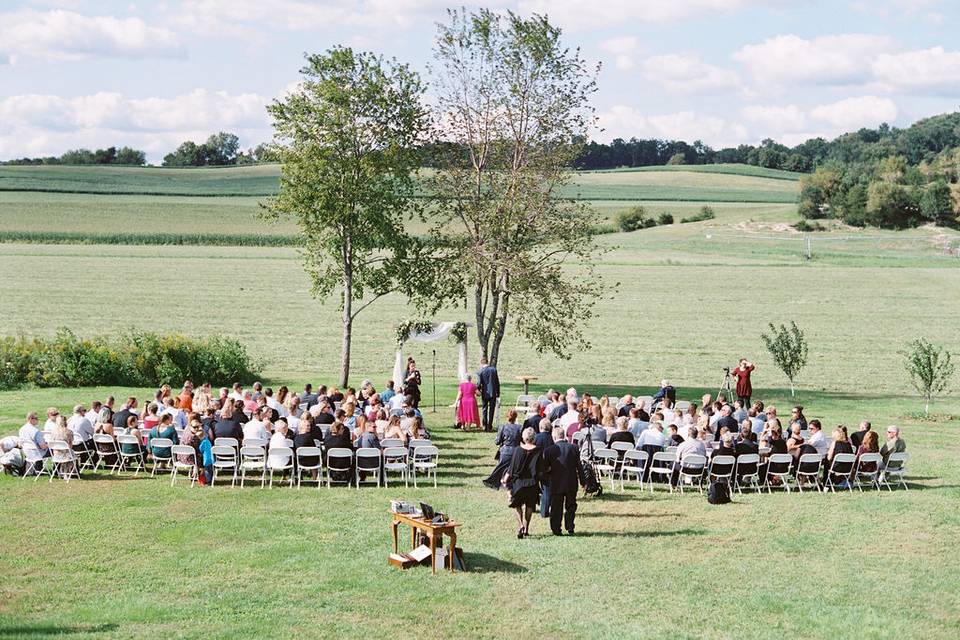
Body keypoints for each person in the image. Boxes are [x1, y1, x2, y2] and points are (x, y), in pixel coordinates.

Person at [543, 426, 586, 536]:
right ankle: (570, 526)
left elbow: (545, 468)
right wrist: (583, 481)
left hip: (556, 482)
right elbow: (579, 466)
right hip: (571, 482)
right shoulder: (574, 448)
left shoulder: (549, 451)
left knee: (556, 507)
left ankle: (556, 529)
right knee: (571, 506)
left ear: (554, 437)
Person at [501, 427, 543, 539]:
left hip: (519, 483)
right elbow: (540, 469)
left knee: (517, 505)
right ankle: (526, 527)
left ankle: (520, 525)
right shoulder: (538, 451)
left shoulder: (518, 450)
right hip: (532, 483)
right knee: (530, 506)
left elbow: (512, 468)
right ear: (534, 438)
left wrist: (505, 479)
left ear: (524, 438)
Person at [483, 409, 522, 489]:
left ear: (507, 417)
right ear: (515, 417)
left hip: (505, 451)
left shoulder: (503, 427)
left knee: (500, 468)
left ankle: (494, 482)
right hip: (516, 451)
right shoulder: (519, 427)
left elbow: (497, 441)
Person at [478, 358, 500, 432]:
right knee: (492, 409)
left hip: (485, 393)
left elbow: (478, 383)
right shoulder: (493, 370)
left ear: (482, 364)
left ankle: (485, 424)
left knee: (484, 409)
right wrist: (498, 392)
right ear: (488, 362)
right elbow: (497, 382)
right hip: (493, 392)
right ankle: (490, 425)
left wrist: (478, 390)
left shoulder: (480, 372)